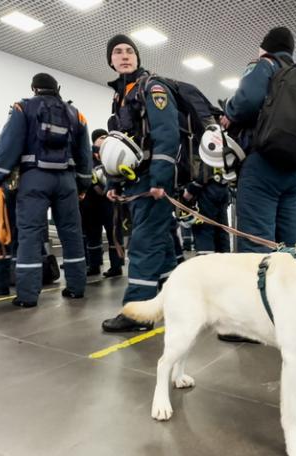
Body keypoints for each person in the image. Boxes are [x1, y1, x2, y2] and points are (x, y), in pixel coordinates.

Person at [0, 73, 92, 308]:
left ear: (34, 88)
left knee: (30, 235)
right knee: (72, 234)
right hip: (66, 179)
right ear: (57, 88)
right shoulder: (76, 114)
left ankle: (27, 295)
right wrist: (83, 184)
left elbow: (8, 145)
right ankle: (76, 288)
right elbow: (84, 153)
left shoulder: (23, 108)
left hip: (34, 178)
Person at [100, 35, 179, 332]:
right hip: (135, 182)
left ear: (137, 57)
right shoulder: (121, 94)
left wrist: (160, 178)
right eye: (117, 52)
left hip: (151, 181)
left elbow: (167, 133)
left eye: (129, 51)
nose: (124, 55)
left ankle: (137, 313)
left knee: (144, 243)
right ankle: (174, 300)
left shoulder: (151, 86)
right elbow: (120, 145)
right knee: (161, 241)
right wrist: (113, 182)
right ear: (110, 60)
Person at [221, 26, 296, 253]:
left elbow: (246, 102)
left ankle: (258, 289)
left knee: (256, 241)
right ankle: (292, 287)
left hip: (264, 162)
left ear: (265, 48)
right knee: (291, 243)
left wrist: (229, 110)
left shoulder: (265, 64)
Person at [81, 128, 124, 277]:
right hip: (91, 205)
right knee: (92, 235)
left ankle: (117, 265)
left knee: (114, 234)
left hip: (109, 203)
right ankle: (94, 265)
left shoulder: (112, 157)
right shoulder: (88, 159)